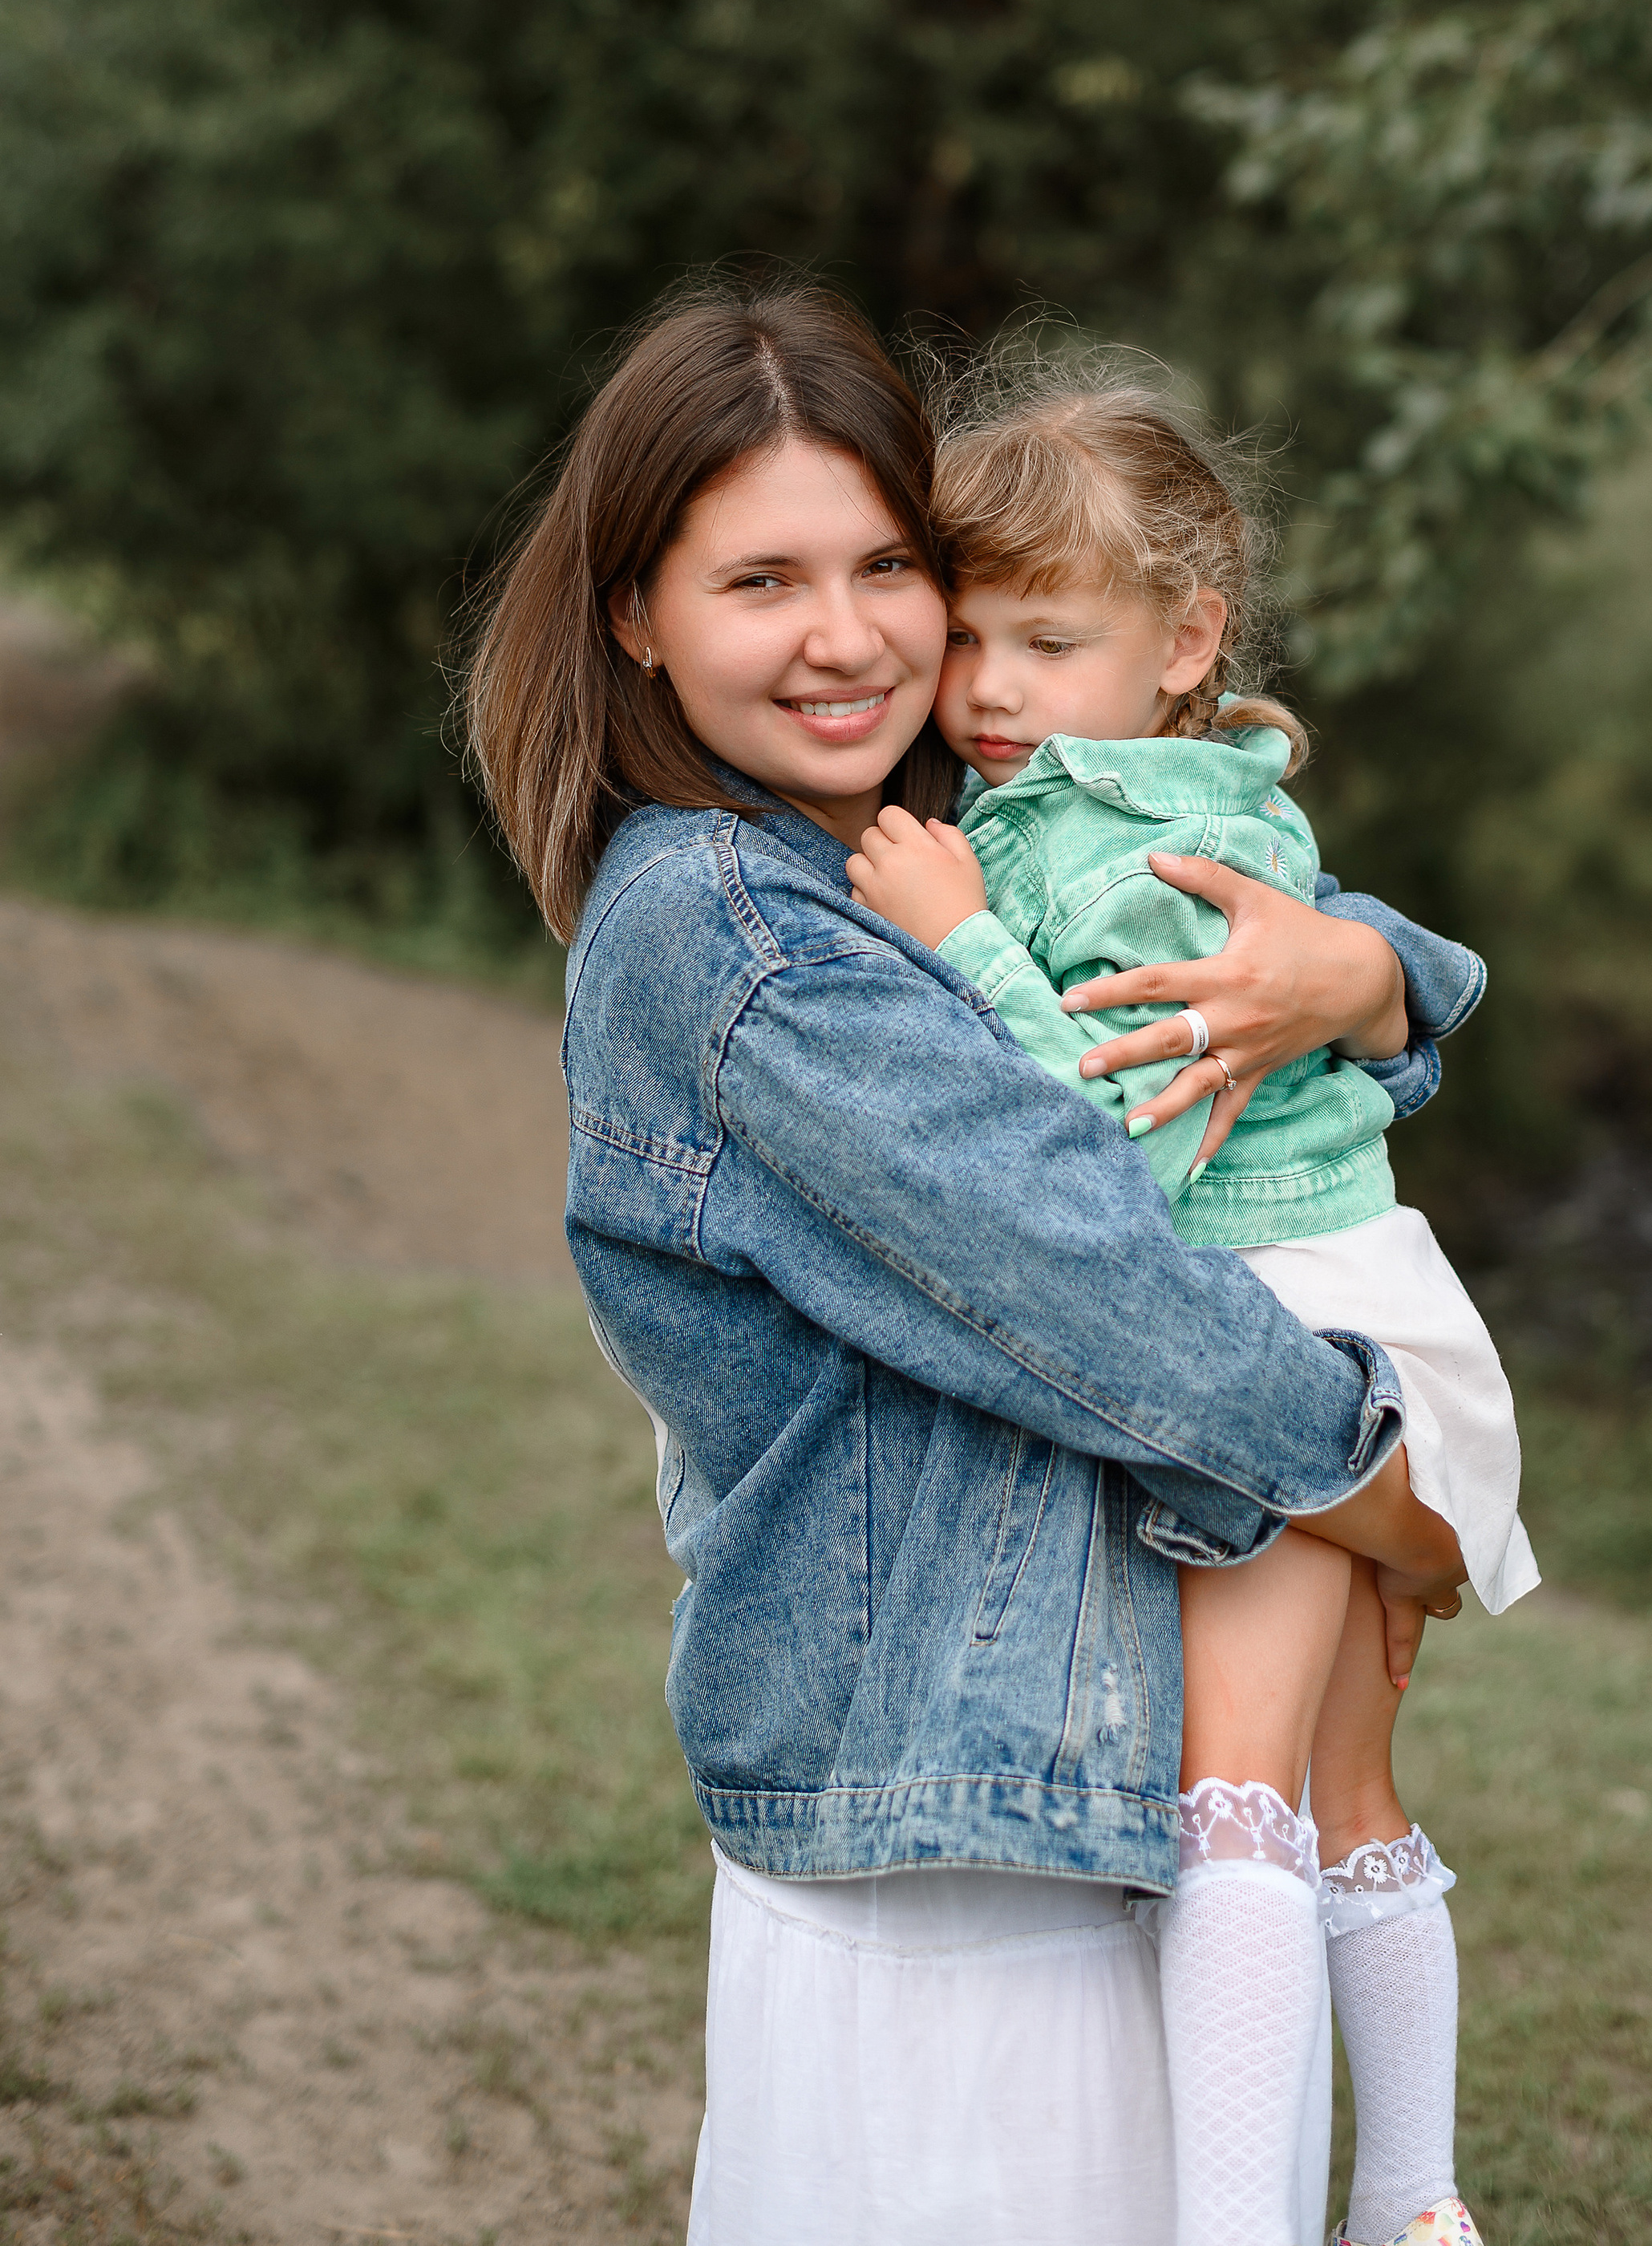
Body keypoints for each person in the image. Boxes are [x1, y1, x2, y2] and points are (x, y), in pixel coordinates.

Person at [464, 281, 1488, 2246]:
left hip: (1088, 1813)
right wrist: (1398, 1506)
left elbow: (1249, 881)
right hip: (947, 1858)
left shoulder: (932, 828)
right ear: (634, 612)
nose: (846, 637)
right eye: (760, 579)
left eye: (885, 569)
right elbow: (1097, 1294)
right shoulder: (736, 938)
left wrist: (1373, 984)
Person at [844, 364, 1537, 2246]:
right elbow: (1415, 977)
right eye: (965, 636)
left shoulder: (1120, 852)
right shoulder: (1158, 787)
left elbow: (1114, 1181)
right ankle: (1411, 2203)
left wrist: (960, 946)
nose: (985, 690)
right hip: (1352, 1303)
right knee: (1339, 1783)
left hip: (1270, 1320)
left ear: (1187, 639)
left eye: (1045, 641)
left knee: (1227, 1792)